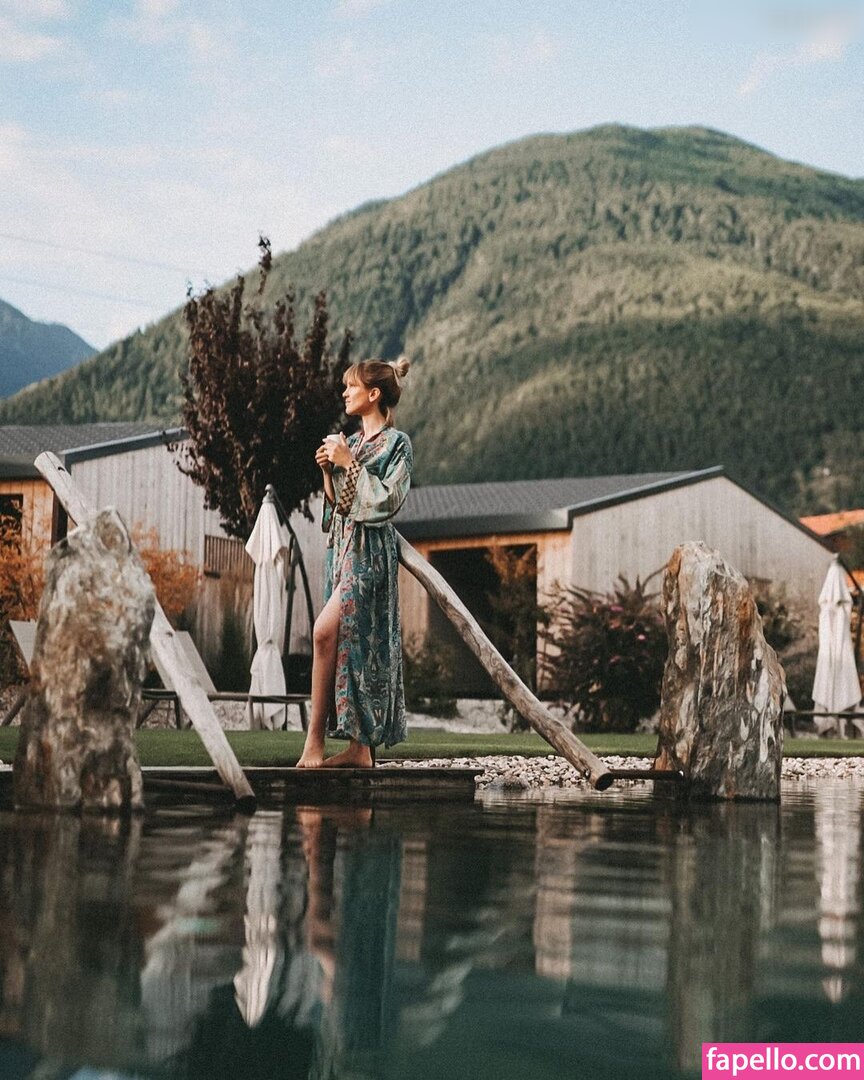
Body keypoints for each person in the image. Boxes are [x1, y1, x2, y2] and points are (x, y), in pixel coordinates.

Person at [296, 356, 413, 768]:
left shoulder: (397, 445)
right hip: (342, 552)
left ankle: (314, 742)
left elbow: (387, 500)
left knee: (324, 632)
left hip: (370, 556)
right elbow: (340, 508)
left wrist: (348, 464)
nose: (345, 392)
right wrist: (328, 473)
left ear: (374, 394)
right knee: (347, 644)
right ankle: (359, 750)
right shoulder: (353, 442)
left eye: (352, 386)